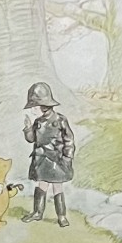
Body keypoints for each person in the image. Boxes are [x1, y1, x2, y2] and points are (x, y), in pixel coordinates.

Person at [20, 81, 76, 227]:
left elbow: (69, 139)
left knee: (57, 187)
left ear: (44, 105)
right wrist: (28, 128)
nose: (32, 110)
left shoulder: (60, 120)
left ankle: (61, 216)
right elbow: (32, 139)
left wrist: (67, 156)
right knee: (42, 185)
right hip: (41, 160)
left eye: (34, 107)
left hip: (57, 160)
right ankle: (37, 212)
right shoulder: (37, 122)